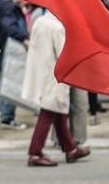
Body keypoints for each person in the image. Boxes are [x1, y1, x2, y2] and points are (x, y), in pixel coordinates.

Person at [22, 10, 91, 166]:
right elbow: (64, 55)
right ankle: (35, 152)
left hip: (42, 72)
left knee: (57, 113)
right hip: (55, 76)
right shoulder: (58, 27)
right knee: (48, 113)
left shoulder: (40, 21)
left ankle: (70, 149)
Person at [0, 0, 30, 129]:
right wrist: (23, 38)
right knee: (9, 79)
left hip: (8, 47)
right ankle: (7, 117)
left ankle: (7, 116)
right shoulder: (9, 6)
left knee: (9, 79)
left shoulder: (9, 5)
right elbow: (9, 26)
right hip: (8, 48)